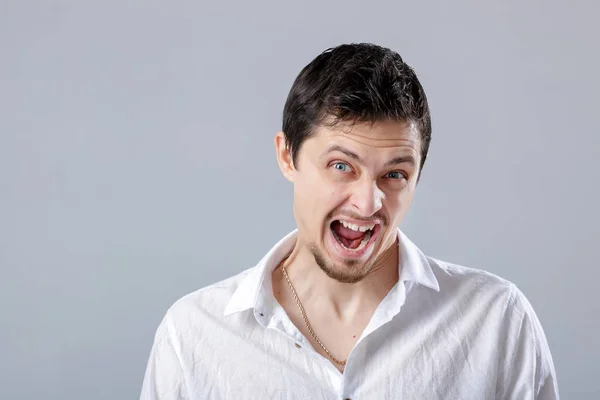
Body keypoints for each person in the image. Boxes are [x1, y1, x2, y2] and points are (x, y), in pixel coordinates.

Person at [140, 43, 559, 399]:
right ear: (287, 156)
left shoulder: (496, 321)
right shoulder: (193, 335)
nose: (366, 203)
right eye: (342, 166)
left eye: (394, 174)